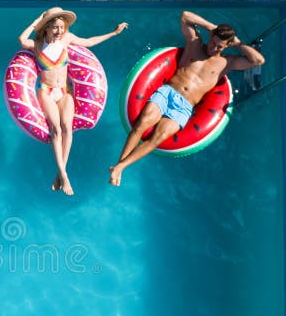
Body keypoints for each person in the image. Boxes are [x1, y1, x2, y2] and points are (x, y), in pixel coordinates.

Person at [109, 11, 265, 187]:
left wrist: (238, 44)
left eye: (220, 47)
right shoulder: (195, 44)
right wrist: (211, 28)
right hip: (168, 93)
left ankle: (120, 167)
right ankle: (119, 167)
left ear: (227, 47)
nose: (214, 48)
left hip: (183, 107)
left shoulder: (227, 63)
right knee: (142, 122)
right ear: (211, 36)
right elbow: (185, 16)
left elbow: (258, 61)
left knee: (158, 136)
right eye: (213, 42)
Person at [19, 7, 128, 195]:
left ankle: (60, 173)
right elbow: (21, 40)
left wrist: (114, 33)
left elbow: (88, 42)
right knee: (56, 129)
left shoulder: (67, 39)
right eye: (55, 27)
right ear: (46, 28)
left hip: (64, 91)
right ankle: (64, 175)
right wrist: (36, 21)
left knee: (67, 129)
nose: (60, 31)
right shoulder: (37, 44)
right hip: (46, 91)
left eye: (61, 27)